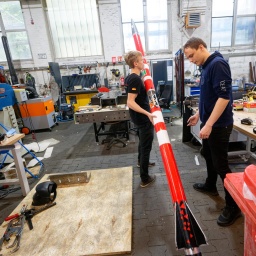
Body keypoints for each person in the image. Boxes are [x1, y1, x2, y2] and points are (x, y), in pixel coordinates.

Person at [184, 37, 241, 226]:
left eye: (192, 55)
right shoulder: (206, 66)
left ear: (201, 47)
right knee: (207, 153)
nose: (191, 60)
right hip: (209, 123)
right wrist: (200, 115)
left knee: (221, 165)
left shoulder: (218, 65)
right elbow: (208, 96)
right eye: (188, 58)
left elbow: (224, 97)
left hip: (219, 125)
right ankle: (210, 185)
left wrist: (208, 124)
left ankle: (234, 207)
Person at [124, 50, 156, 188]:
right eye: (141, 60)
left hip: (139, 117)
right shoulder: (134, 79)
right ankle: (145, 178)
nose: (144, 62)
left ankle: (140, 161)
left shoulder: (133, 76)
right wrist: (148, 114)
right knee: (146, 145)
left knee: (142, 142)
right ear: (135, 63)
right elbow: (130, 102)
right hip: (143, 118)